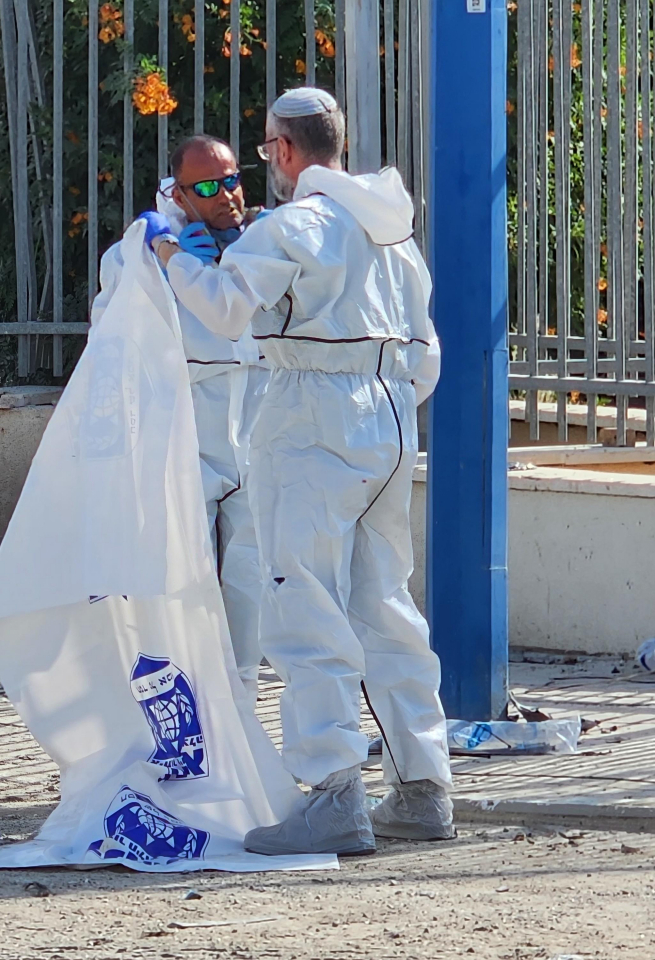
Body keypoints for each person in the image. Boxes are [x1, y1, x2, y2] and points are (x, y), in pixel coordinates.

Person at [145, 87, 453, 855]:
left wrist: (171, 251)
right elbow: (427, 352)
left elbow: (221, 306)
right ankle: (423, 786)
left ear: (284, 149)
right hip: (387, 418)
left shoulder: (297, 226)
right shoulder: (391, 232)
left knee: (304, 603)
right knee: (384, 603)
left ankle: (333, 794)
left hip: (309, 418)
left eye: (265, 152)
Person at [131, 135, 271, 702]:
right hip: (189, 423)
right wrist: (167, 262)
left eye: (232, 179)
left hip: (252, 419)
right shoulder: (149, 246)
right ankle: (184, 694)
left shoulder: (262, 239)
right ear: (178, 193)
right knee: (187, 571)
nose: (226, 196)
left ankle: (241, 693)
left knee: (250, 575)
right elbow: (117, 319)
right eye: (207, 187)